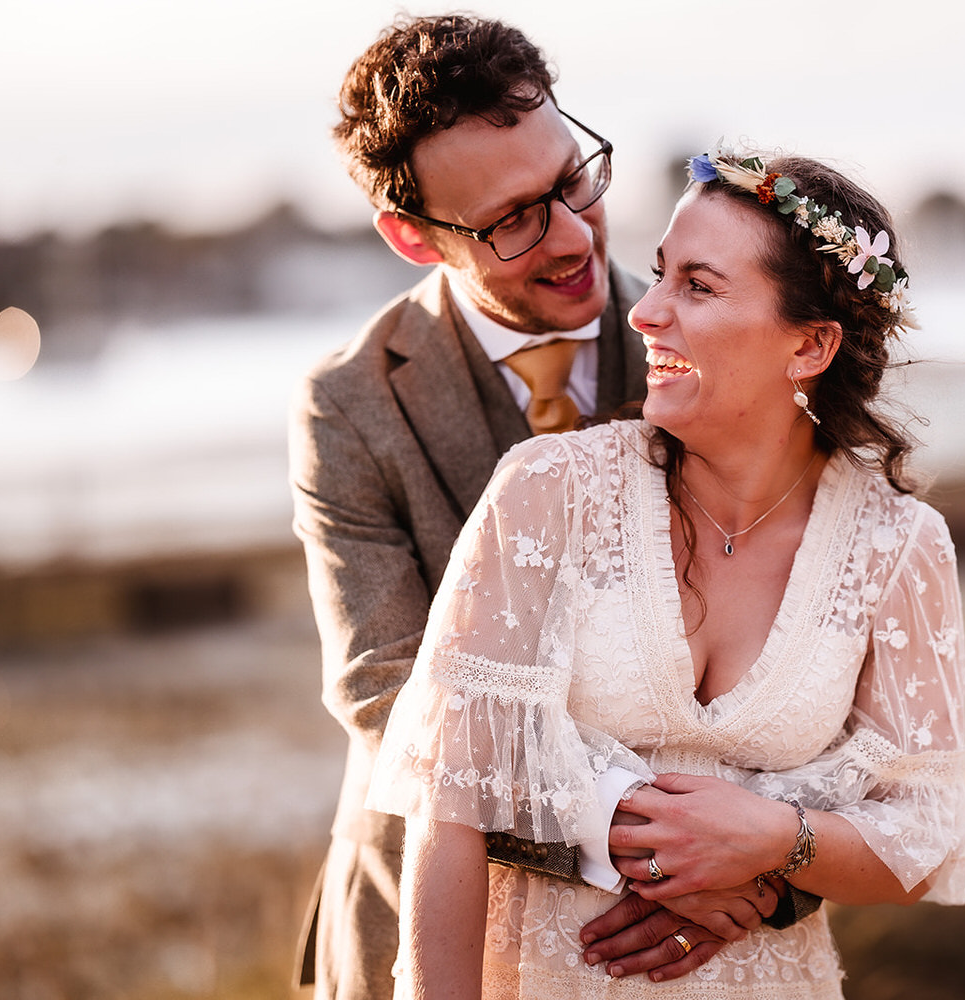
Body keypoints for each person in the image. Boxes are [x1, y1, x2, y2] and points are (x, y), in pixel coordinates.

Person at [366, 145, 965, 997]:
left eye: (697, 285)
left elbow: (926, 837)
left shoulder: (899, 547)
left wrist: (778, 843)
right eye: (657, 276)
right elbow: (448, 805)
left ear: (810, 346)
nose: (645, 312)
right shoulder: (550, 491)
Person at [288, 14, 746, 998]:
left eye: (574, 180)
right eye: (512, 220)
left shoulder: (715, 342)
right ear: (413, 235)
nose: (574, 235)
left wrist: (756, 852)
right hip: (436, 931)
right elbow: (387, 689)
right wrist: (633, 824)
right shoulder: (349, 404)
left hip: (689, 940)